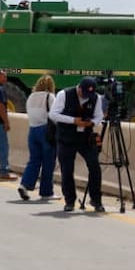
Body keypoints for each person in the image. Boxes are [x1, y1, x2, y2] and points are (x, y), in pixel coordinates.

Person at [50, 77, 105, 212]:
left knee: (95, 167)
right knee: (67, 170)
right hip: (66, 138)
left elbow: (99, 116)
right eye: (84, 93)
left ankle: (96, 199)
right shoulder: (64, 94)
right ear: (79, 88)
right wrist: (73, 120)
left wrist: (92, 123)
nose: (86, 97)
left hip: (85, 138)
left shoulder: (95, 98)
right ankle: (70, 200)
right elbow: (53, 114)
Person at [18, 75, 57, 201]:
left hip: (32, 130)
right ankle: (46, 192)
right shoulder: (49, 97)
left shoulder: (31, 97)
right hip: (46, 131)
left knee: (34, 160)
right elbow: (55, 114)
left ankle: (25, 184)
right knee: (48, 162)